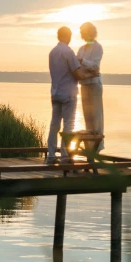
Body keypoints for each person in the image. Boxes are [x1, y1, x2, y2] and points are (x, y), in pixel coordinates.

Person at [47, 26, 83, 164]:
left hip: (55, 92)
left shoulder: (52, 52)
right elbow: (77, 73)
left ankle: (51, 155)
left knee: (54, 125)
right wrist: (89, 75)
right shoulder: (68, 52)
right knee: (68, 124)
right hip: (68, 94)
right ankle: (65, 155)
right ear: (68, 36)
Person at [77, 22, 104, 153]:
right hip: (84, 84)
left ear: (92, 33)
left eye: (87, 32)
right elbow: (81, 69)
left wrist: (82, 62)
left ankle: (97, 148)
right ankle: (89, 147)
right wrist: (86, 74)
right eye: (83, 33)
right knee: (87, 116)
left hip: (94, 84)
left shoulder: (98, 47)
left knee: (96, 116)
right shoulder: (81, 49)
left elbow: (95, 66)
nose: (85, 35)